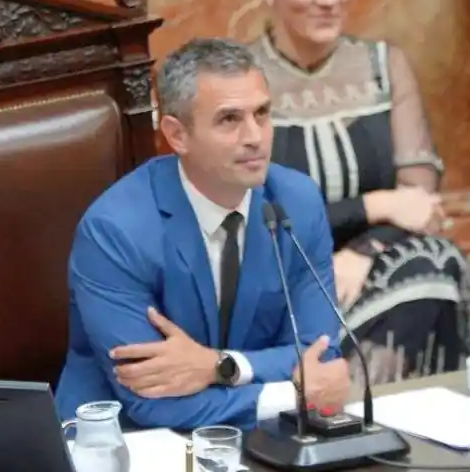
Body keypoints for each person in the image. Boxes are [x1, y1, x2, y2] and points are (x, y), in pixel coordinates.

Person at [56, 37, 352, 431]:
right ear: (177, 135)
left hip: (257, 440)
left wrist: (217, 367)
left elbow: (320, 356)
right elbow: (149, 399)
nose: (255, 137)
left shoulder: (295, 203)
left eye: (262, 114)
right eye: (229, 119)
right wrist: (291, 394)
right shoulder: (115, 230)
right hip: (129, 448)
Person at [243, 0, 470, 385]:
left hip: (377, 266)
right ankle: (355, 410)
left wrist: (363, 250)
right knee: (428, 274)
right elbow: (255, 223)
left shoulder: (383, 66)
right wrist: (374, 204)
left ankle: (365, 407)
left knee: (435, 263)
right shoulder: (241, 80)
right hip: (284, 277)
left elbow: (421, 202)